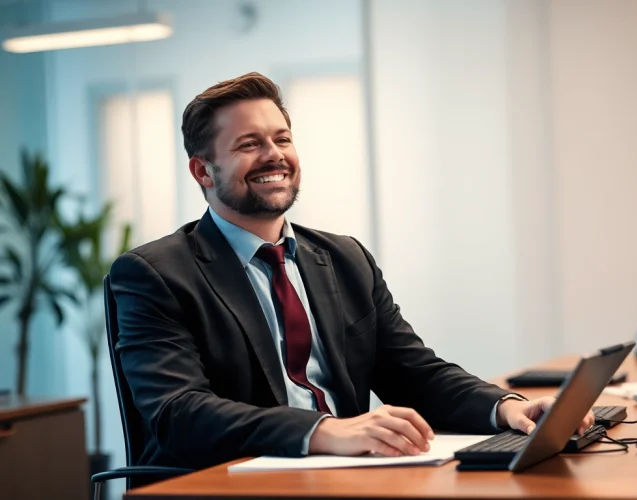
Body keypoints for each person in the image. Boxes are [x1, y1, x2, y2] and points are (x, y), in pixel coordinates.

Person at [109, 72, 593, 471]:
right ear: (203, 171)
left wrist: (507, 408)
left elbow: (415, 372)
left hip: (348, 475)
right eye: (249, 144)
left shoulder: (344, 259)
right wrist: (323, 431)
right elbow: (178, 414)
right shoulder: (154, 275)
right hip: (230, 479)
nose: (274, 154)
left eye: (282, 138)